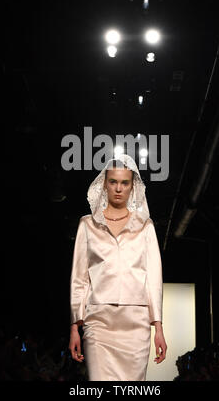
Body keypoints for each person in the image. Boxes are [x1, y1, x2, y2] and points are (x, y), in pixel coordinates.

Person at [68, 153, 167, 381]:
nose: (119, 188)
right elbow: (79, 278)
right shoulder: (87, 224)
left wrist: (158, 327)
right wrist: (75, 326)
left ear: (133, 186)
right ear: (105, 183)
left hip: (136, 323)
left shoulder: (145, 226)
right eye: (113, 182)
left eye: (125, 182)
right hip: (98, 322)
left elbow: (153, 279)